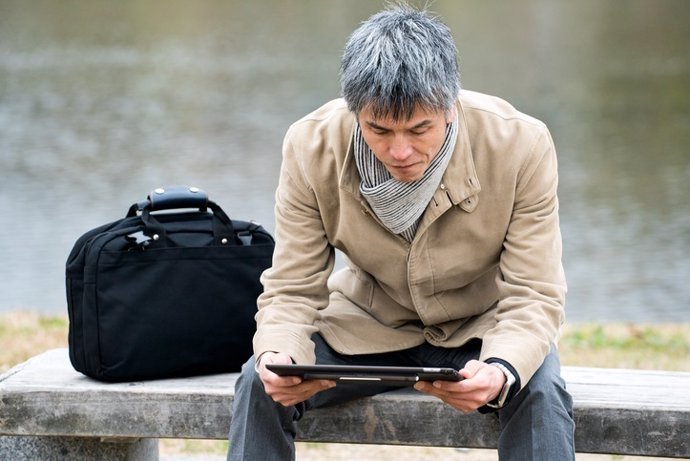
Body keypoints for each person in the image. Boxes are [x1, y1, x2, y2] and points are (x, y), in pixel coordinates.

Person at [227, 4, 575, 460]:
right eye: (378, 129)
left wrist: (501, 368)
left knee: (539, 390)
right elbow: (293, 287)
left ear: (451, 107)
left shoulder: (521, 144)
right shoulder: (309, 145)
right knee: (259, 381)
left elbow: (534, 293)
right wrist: (279, 354)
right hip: (364, 327)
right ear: (354, 113)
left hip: (480, 329)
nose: (400, 150)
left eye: (419, 128)